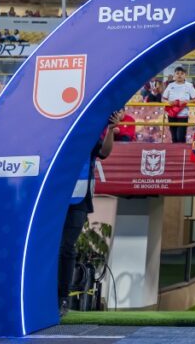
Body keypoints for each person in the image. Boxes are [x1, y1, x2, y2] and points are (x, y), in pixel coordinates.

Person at [58, 110, 121, 316]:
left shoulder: (87, 136)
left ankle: (62, 298)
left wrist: (111, 130)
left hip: (78, 202)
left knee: (66, 247)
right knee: (49, 248)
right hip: (53, 202)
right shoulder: (55, 136)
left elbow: (104, 152)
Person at [163, 67, 195, 144]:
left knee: (180, 137)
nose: (179, 75)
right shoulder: (170, 85)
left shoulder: (189, 85)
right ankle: (175, 154)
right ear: (174, 75)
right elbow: (163, 99)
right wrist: (169, 102)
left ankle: (182, 154)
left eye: (182, 74)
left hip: (183, 115)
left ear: (185, 75)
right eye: (177, 73)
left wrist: (186, 102)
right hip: (171, 114)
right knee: (174, 137)